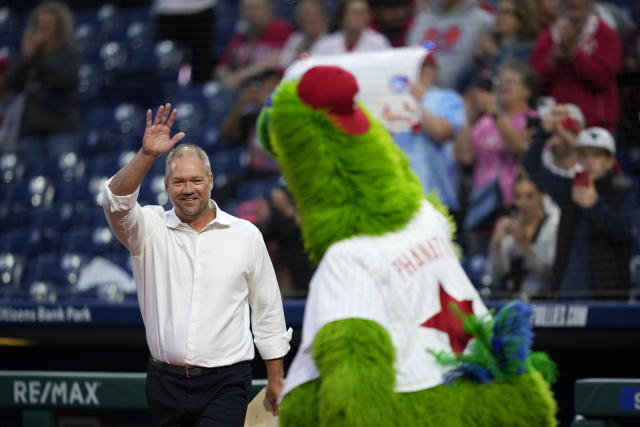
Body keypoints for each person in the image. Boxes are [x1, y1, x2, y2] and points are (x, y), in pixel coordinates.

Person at [101, 103, 291, 426]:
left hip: (226, 383)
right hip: (164, 384)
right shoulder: (148, 228)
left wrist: (276, 378)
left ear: (211, 181)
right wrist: (147, 155)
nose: (188, 189)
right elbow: (115, 204)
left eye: (196, 180)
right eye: (179, 182)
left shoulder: (245, 235)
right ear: (166, 187)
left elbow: (267, 310)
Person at [523, 125, 638, 299]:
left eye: (597, 155)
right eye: (584, 155)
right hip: (567, 292)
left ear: (609, 161)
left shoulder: (624, 190)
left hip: (607, 294)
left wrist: (595, 205)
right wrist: (545, 131)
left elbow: (625, 230)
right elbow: (532, 166)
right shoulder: (569, 188)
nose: (589, 161)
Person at [530, 0, 623, 131]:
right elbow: (535, 81)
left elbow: (603, 79)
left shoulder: (606, 35)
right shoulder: (547, 37)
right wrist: (554, 60)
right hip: (555, 127)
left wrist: (574, 54)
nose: (573, 3)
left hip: (595, 128)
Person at [4, 1, 80, 159]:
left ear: (59, 27)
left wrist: (37, 59)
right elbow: (10, 83)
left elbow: (66, 81)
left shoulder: (68, 52)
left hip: (60, 127)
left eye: (49, 23)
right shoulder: (29, 54)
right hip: (31, 129)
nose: (43, 27)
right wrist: (26, 58)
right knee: (34, 178)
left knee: (61, 177)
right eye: (40, 23)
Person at [402, 51, 466, 212]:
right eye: (420, 67)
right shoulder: (396, 96)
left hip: (439, 193)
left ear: (434, 70)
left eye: (427, 66)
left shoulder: (448, 97)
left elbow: (440, 132)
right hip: (402, 193)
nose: (424, 71)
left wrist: (418, 100)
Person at [489, 171, 559, 299]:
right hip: (511, 300)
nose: (523, 203)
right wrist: (496, 245)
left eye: (529, 196)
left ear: (541, 196)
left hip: (542, 301)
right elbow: (499, 273)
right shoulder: (510, 226)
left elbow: (549, 274)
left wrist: (525, 246)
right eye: (518, 196)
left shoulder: (552, 226)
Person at [407, 0, 494, 90]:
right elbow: (408, 61)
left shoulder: (483, 21)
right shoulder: (422, 21)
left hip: (463, 96)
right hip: (418, 95)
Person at [215, 0, 293, 90]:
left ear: (268, 10)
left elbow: (278, 60)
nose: (251, 14)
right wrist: (227, 80)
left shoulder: (282, 30)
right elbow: (221, 68)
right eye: (247, 9)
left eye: (256, 8)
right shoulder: (240, 37)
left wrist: (240, 76)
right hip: (240, 91)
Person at [153, 0, 217, 84]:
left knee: (200, 64)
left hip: (202, 9)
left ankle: (193, 90)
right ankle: (173, 91)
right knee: (167, 62)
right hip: (167, 11)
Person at [309, 0, 390, 55]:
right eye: (355, 13)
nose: (359, 17)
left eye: (363, 13)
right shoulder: (325, 44)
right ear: (342, 16)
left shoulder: (379, 42)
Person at [279, 0, 328, 68]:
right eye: (307, 15)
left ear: (323, 17)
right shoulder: (295, 38)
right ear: (299, 19)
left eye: (315, 15)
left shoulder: (334, 41)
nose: (311, 19)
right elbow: (283, 63)